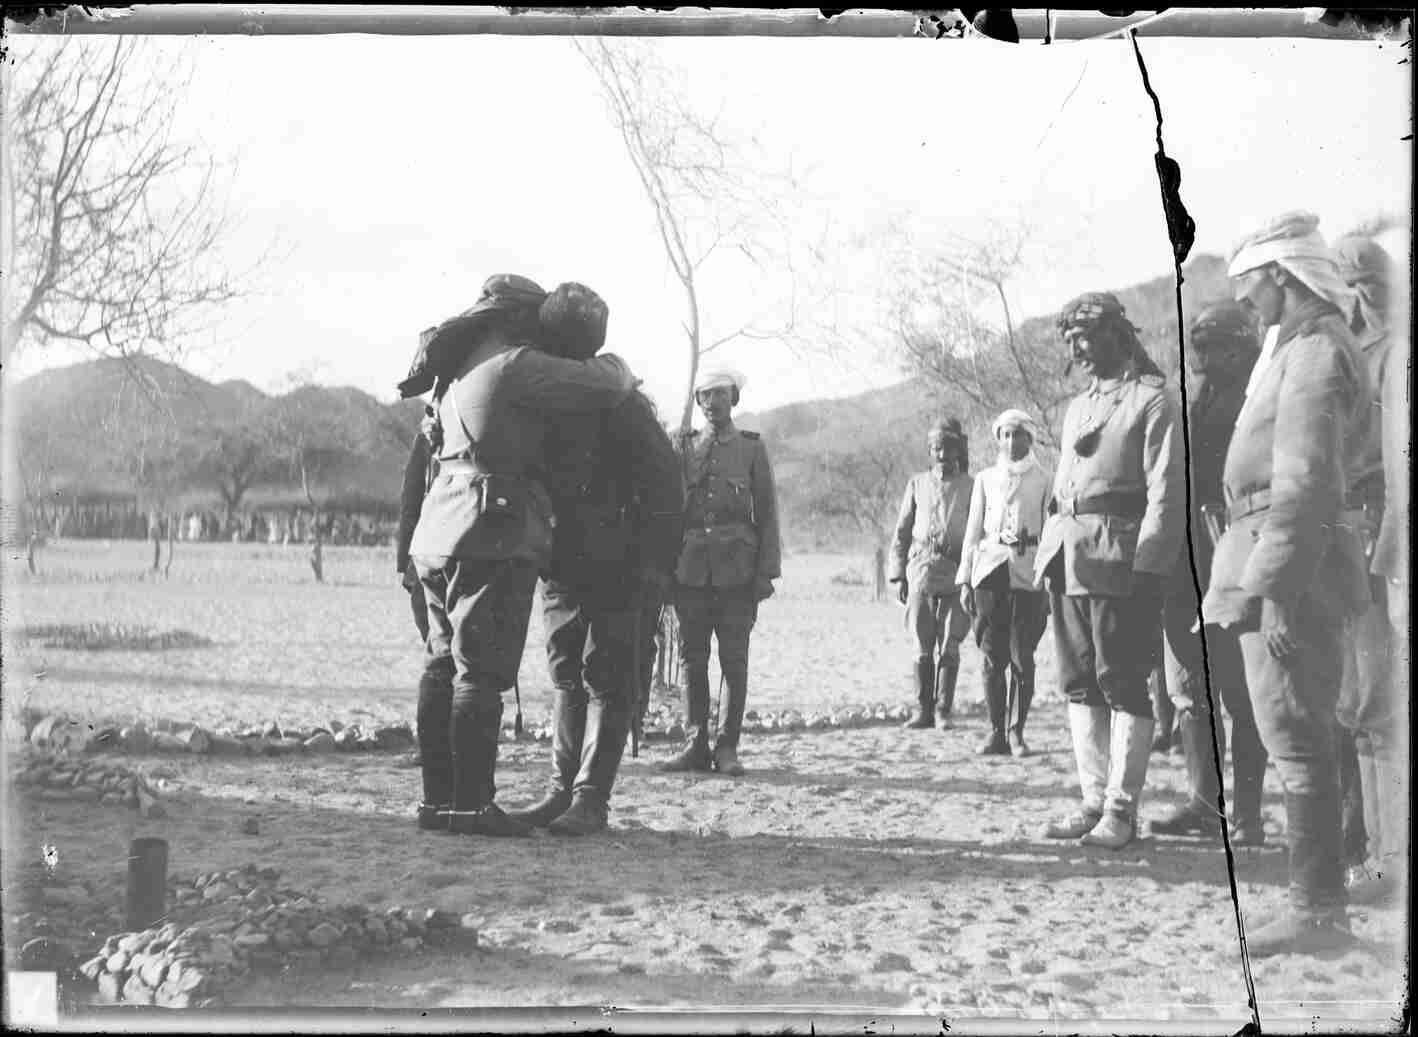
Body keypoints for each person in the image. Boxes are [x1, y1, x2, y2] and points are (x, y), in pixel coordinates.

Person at [405, 273, 638, 838]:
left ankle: (439, 802)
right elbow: (607, 381)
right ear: (517, 319)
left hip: (436, 531)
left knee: (440, 667)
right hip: (489, 530)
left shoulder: (456, 372)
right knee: (481, 673)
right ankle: (473, 805)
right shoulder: (515, 365)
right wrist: (621, 364)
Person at [1202, 211, 1372, 955]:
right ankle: (1318, 906)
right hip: (1276, 555)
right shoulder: (1302, 348)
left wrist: (1273, 588)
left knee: (1297, 736)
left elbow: (1302, 483)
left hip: (1290, 570)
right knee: (1294, 733)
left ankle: (1317, 911)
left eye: (1250, 287)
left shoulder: (1313, 355)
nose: (1245, 304)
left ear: (1282, 277)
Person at [505, 283, 683, 836]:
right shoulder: (549, 400)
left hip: (617, 564)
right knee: (566, 671)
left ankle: (590, 799)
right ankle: (563, 792)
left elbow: (665, 487)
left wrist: (654, 568)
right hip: (564, 566)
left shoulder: (621, 405)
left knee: (607, 676)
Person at [1036, 292, 1184, 850]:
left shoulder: (1152, 401)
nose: (1079, 351)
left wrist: (1150, 566)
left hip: (1120, 560)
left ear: (1117, 336)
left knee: (1121, 681)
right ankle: (1093, 800)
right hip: (1070, 558)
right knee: (1078, 683)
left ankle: (1122, 811)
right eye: (1072, 342)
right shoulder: (1078, 407)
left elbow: (1166, 493)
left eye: (1087, 338)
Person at [1148, 301, 1270, 846]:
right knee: (1193, 692)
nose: (1205, 357)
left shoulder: (1260, 403)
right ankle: (1205, 803)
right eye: (1200, 347)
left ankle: (1246, 815)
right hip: (1187, 563)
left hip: (1236, 559)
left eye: (1216, 347)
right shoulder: (1196, 404)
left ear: (1241, 348)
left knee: (1242, 695)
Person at [1332, 233, 1409, 906]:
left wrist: (1386, 555)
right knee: (1357, 704)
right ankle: (1369, 852)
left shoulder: (1394, 355)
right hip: (1347, 536)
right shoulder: (1350, 354)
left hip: (1383, 538)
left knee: (1379, 704)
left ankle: (1388, 859)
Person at [659, 364, 781, 777]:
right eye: (705, 396)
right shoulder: (682, 447)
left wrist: (766, 573)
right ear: (697, 401)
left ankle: (727, 747)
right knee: (694, 661)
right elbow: (669, 512)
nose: (713, 403)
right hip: (690, 571)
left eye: (721, 395)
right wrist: (665, 572)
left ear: (734, 399)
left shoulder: (751, 449)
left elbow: (766, 513)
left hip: (737, 571)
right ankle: (695, 744)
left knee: (734, 661)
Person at [957, 409, 1051, 756]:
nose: (1012, 442)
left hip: (1028, 576)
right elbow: (972, 531)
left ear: (1030, 438)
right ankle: (996, 732)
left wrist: (1048, 583)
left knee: (1022, 658)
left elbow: (1050, 531)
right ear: (998, 439)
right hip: (989, 574)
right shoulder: (984, 479)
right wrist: (966, 580)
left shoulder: (1044, 479)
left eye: (1019, 434)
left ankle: (1017, 733)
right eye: (1006, 435)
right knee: (992, 656)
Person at [889, 418, 974, 730]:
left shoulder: (972, 486)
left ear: (958, 450)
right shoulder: (917, 484)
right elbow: (901, 533)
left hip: (957, 574)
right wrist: (898, 575)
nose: (942, 455)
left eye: (948, 448)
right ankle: (922, 710)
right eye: (936, 448)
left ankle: (942, 710)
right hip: (920, 571)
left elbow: (980, 533)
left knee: (950, 643)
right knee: (922, 644)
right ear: (930, 451)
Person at [396, 405, 438, 644]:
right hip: (428, 554)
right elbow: (411, 499)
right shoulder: (427, 435)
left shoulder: (428, 432)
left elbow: (410, 499)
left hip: (432, 556)